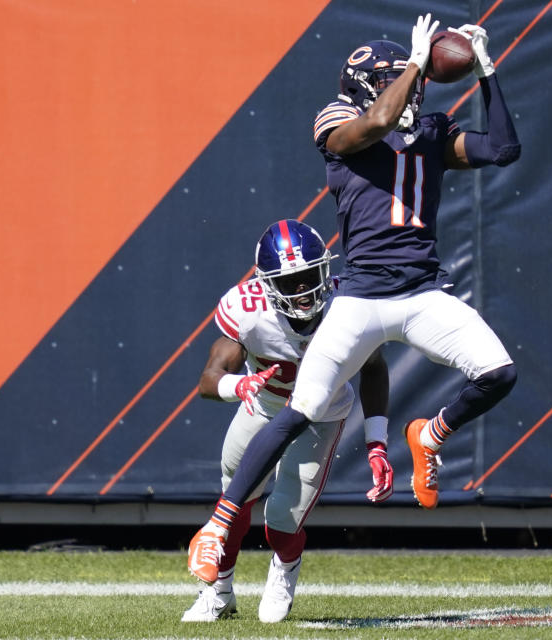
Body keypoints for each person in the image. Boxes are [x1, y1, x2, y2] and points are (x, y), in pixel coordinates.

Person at [188, 13, 520, 584]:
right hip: (361, 296)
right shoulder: (338, 122)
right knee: (300, 411)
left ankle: (431, 434)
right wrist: (416, 63)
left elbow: (503, 149)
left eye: (416, 78)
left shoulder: (433, 133)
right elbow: (379, 120)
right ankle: (220, 523)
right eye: (406, 78)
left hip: (419, 292)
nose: (417, 87)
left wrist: (488, 71)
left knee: (499, 374)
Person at [182, 219, 391, 623]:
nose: (301, 288)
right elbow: (208, 380)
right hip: (264, 408)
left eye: (308, 275)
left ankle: (284, 569)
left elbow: (375, 367)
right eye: (289, 279)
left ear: (324, 269)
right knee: (234, 501)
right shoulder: (247, 310)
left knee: (282, 519)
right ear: (265, 283)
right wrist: (239, 385)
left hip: (320, 416)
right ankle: (219, 593)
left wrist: (376, 441)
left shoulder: (347, 304)